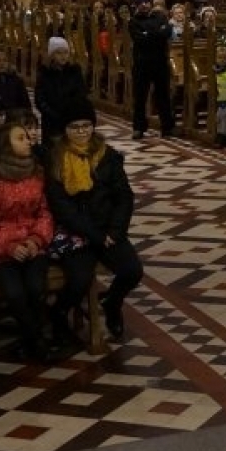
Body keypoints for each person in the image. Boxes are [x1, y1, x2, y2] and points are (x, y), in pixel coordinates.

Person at [45, 97, 141, 347]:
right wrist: (94, 235)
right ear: (65, 129)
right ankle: (57, 313)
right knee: (79, 280)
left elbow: (124, 196)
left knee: (132, 271)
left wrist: (116, 230)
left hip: (108, 228)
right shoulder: (55, 158)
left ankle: (112, 303)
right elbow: (62, 208)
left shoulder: (107, 156)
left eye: (86, 125)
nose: (81, 132)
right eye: (75, 127)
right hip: (75, 233)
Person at [0, 122, 54, 362]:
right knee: (15, 294)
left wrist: (35, 240)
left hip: (32, 245)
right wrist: (8, 247)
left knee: (36, 288)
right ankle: (36, 341)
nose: (29, 141)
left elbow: (45, 213)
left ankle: (32, 342)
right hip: (0, 250)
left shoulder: (37, 173)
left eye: (28, 137)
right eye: (21, 138)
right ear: (5, 145)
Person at [129, 0, 174, 139]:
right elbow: (140, 39)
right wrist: (156, 33)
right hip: (142, 63)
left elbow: (167, 32)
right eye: (141, 3)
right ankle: (138, 127)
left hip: (160, 62)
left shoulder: (160, 17)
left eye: (147, 2)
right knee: (140, 97)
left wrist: (148, 33)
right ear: (137, 5)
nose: (144, 5)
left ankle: (167, 127)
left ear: (151, 4)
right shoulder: (134, 21)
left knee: (163, 95)